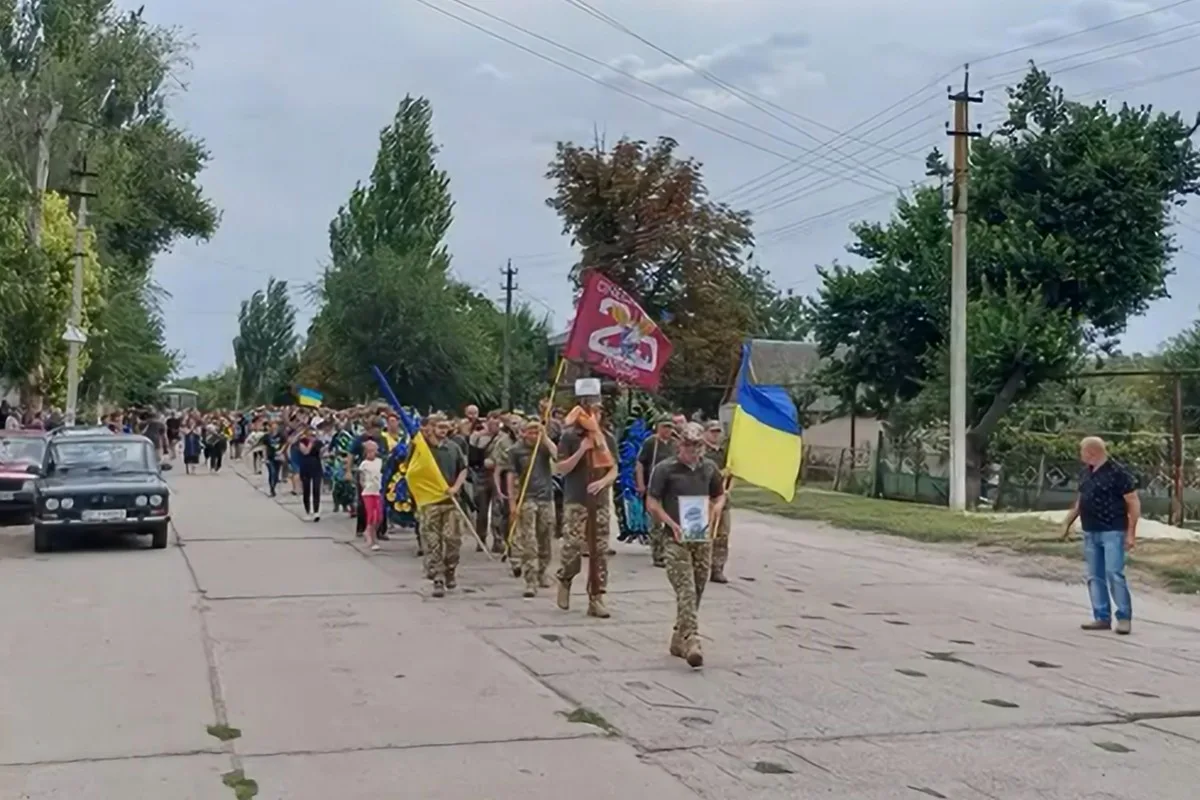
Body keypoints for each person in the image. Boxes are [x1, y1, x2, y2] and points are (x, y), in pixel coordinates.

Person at [647, 423, 726, 668]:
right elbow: (652, 502)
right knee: (686, 590)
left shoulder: (709, 468)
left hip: (700, 539)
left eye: (698, 445)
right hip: (675, 539)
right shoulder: (665, 470)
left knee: (698, 589)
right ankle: (692, 640)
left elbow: (719, 494)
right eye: (689, 445)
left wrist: (716, 510)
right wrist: (670, 523)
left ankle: (678, 636)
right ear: (679, 444)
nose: (693, 450)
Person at [1061, 436, 1139, 635]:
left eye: (1082, 452)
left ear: (1091, 452)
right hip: (1090, 529)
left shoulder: (1118, 473)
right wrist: (1068, 522)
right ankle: (1101, 616)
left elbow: (1133, 502)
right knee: (1095, 576)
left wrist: (1131, 533)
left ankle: (1123, 617)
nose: (1080, 456)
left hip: (1112, 529)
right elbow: (1081, 501)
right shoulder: (1086, 473)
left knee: (1114, 573)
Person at [554, 390, 619, 619]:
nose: (596, 414)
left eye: (599, 410)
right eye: (592, 409)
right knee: (572, 547)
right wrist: (582, 449)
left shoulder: (606, 438)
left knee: (599, 551)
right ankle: (565, 578)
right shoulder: (570, 436)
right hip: (576, 499)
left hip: (599, 501)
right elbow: (561, 468)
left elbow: (614, 469)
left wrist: (603, 482)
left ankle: (596, 597)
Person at [509, 418, 558, 597]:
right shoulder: (516, 450)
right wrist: (512, 503)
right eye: (530, 431)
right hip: (526, 497)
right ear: (523, 432)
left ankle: (543, 571)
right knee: (529, 540)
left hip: (546, 497)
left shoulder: (543, 447)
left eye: (536, 431)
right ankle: (530, 579)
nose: (533, 435)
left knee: (545, 536)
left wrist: (545, 438)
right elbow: (512, 477)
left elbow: (558, 456)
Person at [422, 414, 468, 597]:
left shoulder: (453, 447)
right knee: (433, 542)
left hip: (450, 502)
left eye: (446, 427)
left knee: (453, 539)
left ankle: (450, 569)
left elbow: (463, 469)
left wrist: (456, 487)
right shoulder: (423, 448)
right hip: (430, 501)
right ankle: (438, 577)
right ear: (431, 427)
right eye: (439, 426)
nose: (443, 430)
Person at [637, 415, 677, 568]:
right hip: (654, 486)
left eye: (670, 427)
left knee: (670, 520)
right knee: (656, 522)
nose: (668, 430)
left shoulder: (675, 444)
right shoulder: (650, 443)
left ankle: (670, 552)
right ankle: (658, 554)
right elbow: (640, 464)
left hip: (672, 488)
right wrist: (641, 484)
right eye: (665, 426)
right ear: (658, 427)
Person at [348, 419, 389, 539]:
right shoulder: (360, 440)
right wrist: (348, 471)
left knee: (381, 502)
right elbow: (351, 454)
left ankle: (381, 530)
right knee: (363, 501)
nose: (380, 432)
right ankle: (361, 528)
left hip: (379, 472)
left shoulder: (382, 439)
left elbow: (386, 454)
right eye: (378, 429)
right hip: (365, 472)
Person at [703, 420, 732, 583]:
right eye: (712, 431)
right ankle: (699, 565)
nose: (716, 434)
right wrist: (721, 473)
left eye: (718, 432)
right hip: (705, 498)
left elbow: (733, 472)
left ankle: (717, 568)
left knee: (722, 535)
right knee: (703, 534)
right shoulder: (700, 452)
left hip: (723, 498)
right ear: (705, 432)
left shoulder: (725, 453)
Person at [358, 440, 384, 551]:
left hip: (378, 491)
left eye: (373, 451)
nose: (371, 453)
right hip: (368, 492)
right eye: (369, 451)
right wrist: (364, 486)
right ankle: (372, 539)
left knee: (379, 516)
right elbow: (361, 478)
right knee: (371, 515)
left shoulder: (379, 462)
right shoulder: (364, 464)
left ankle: (369, 531)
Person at [297, 426, 324, 521]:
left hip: (316, 467)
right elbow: (305, 452)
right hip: (305, 467)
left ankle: (316, 512)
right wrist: (311, 443)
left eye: (313, 434)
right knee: (306, 490)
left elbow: (322, 454)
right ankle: (308, 511)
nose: (312, 436)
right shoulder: (302, 442)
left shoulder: (318, 443)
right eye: (310, 434)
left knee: (316, 489)